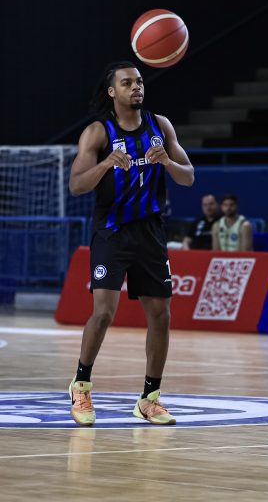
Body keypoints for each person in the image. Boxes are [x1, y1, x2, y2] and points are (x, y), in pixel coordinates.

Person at [67, 61, 195, 426]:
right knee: (104, 312)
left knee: (161, 315)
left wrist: (167, 162)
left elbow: (189, 177)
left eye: (139, 81)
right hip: (112, 231)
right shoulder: (98, 132)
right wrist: (105, 164)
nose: (136, 87)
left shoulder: (160, 126)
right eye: (127, 83)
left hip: (150, 231)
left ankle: (149, 399)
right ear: (112, 91)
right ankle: (81, 386)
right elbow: (76, 186)